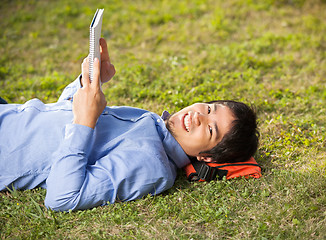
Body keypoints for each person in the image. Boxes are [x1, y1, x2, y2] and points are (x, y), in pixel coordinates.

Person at [0, 39, 259, 211]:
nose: (199, 116)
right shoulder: (152, 123)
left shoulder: (153, 166)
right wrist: (88, 83)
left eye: (211, 129)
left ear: (205, 155)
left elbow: (63, 197)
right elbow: (64, 120)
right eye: (209, 108)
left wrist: (84, 121)